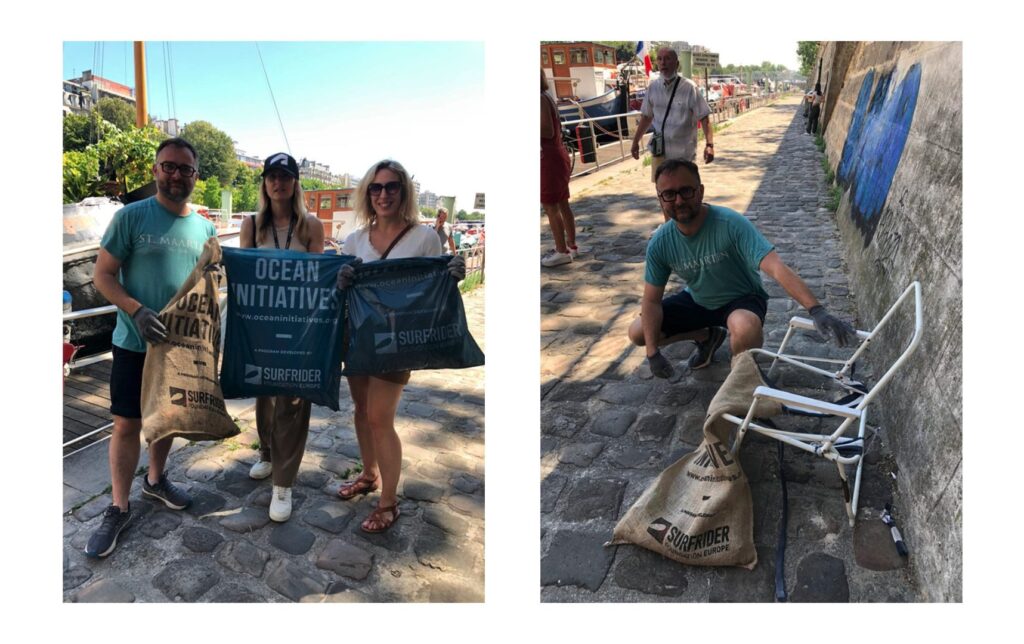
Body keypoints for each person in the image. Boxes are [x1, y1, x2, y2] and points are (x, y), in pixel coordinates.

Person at [87, 138, 215, 558]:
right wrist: (136, 310)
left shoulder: (205, 227)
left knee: (168, 418)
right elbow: (102, 275)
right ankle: (118, 506)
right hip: (133, 342)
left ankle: (156, 480)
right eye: (169, 166)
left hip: (181, 347)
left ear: (196, 176)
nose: (176, 175)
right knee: (126, 424)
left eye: (186, 169)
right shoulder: (130, 217)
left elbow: (212, 283)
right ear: (157, 170)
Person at [627, 159, 854, 377]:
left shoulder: (730, 223)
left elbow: (775, 267)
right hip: (699, 300)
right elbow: (651, 301)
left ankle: (741, 381)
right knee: (639, 332)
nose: (678, 201)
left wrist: (816, 310)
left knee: (744, 327)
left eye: (686, 191)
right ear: (660, 199)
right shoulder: (660, 243)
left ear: (700, 191)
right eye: (669, 194)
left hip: (743, 299)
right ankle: (707, 337)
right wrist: (652, 353)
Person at [335, 159, 465, 533]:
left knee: (379, 417)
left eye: (392, 187)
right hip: (358, 337)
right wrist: (341, 279)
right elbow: (342, 292)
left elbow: (433, 288)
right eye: (376, 188)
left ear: (404, 192)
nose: (383, 194)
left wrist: (452, 275)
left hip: (397, 342)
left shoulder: (424, 238)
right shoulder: (355, 239)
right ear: (367, 193)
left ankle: (389, 501)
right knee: (361, 411)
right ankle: (369, 473)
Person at [241, 152, 325, 522]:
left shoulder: (311, 227)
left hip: (298, 330)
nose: (279, 183)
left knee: (291, 402)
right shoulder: (250, 225)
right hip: (262, 325)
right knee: (265, 397)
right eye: (272, 176)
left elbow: (320, 280)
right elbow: (244, 275)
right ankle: (267, 454)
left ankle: (284, 482)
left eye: (286, 176)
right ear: (264, 182)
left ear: (295, 183)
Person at [631, 47, 715, 205]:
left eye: (668, 59)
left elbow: (704, 117)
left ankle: (689, 226)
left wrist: (709, 145)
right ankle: (670, 226)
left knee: (686, 193)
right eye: (660, 59)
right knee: (663, 193)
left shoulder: (689, 88)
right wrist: (635, 141)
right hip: (659, 150)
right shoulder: (653, 88)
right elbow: (646, 117)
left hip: (683, 152)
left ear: (676, 64)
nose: (663, 62)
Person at [540, 69, 579, 267]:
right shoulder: (546, 96)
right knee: (563, 203)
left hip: (548, 157)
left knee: (551, 205)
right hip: (556, 153)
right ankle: (571, 245)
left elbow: (546, 130)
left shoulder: (538, 98)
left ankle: (561, 250)